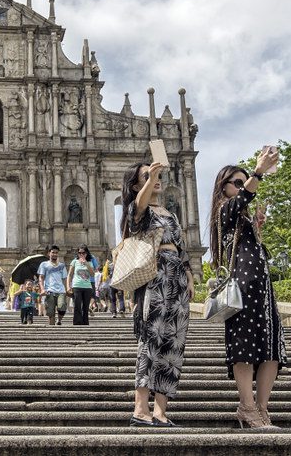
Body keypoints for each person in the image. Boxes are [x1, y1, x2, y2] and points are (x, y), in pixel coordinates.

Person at [209, 152, 287, 429]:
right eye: (237, 183)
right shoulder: (225, 211)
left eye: (244, 182)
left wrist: (257, 228)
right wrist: (258, 172)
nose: (242, 188)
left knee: (271, 350)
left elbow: (253, 251)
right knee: (244, 347)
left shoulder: (242, 220)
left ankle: (262, 410)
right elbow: (245, 197)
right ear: (224, 187)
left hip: (263, 291)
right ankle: (247, 407)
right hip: (241, 290)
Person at [123, 161, 194, 428]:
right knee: (151, 339)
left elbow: (181, 246)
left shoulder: (170, 214)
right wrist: (150, 177)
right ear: (136, 185)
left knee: (174, 343)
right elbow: (138, 208)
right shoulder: (139, 210)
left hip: (176, 276)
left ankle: (161, 411)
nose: (156, 179)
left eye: (156, 175)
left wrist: (188, 276)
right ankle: (140, 409)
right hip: (155, 275)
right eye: (147, 176)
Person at [38, 246, 67, 326]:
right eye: (53, 252)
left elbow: (65, 278)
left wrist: (67, 289)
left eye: (56, 253)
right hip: (49, 291)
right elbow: (41, 277)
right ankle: (52, 330)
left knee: (62, 308)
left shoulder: (62, 265)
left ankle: (59, 320)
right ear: (49, 253)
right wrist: (42, 289)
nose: (54, 254)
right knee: (50, 312)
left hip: (61, 290)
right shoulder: (44, 264)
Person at [66, 247, 95, 325]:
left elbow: (92, 274)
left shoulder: (90, 262)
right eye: (80, 253)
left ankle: (85, 322)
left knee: (86, 307)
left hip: (87, 287)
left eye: (83, 253)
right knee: (77, 305)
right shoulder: (74, 262)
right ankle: (77, 322)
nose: (81, 254)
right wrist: (68, 286)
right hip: (77, 286)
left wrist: (86, 263)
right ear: (78, 253)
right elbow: (69, 274)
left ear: (86, 254)